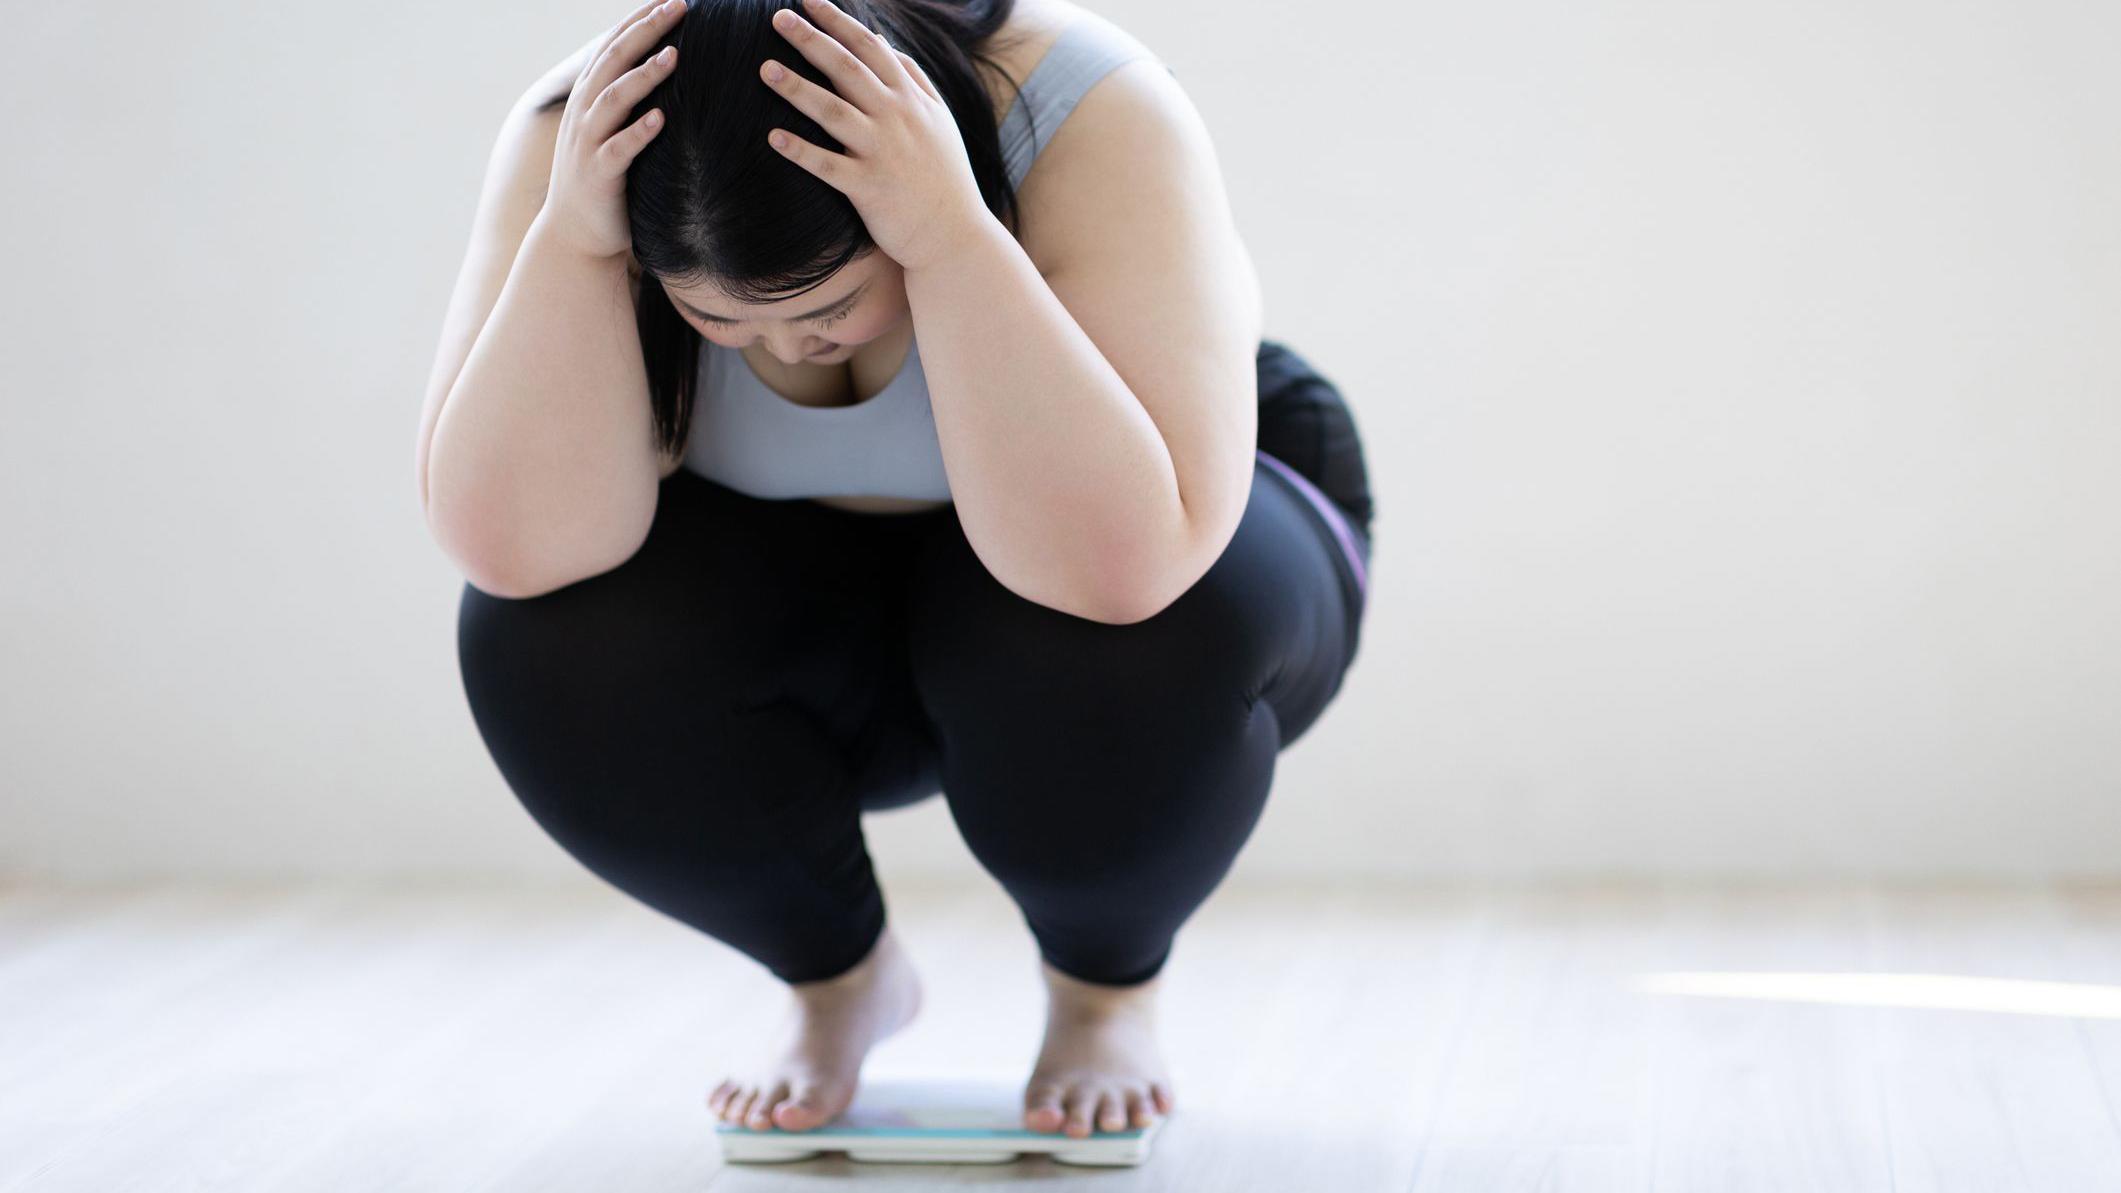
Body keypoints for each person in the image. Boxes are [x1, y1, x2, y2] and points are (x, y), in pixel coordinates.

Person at [419, 0, 1374, 1145]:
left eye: (827, 306)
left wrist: (954, 236)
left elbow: (1127, 564)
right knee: (547, 635)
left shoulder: (1086, 111)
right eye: (715, 315)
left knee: (1112, 632)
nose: (781, 348)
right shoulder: (591, 135)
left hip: (1159, 551)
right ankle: (837, 977)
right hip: (810, 590)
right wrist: (574, 239)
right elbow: (512, 547)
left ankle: (1103, 988)